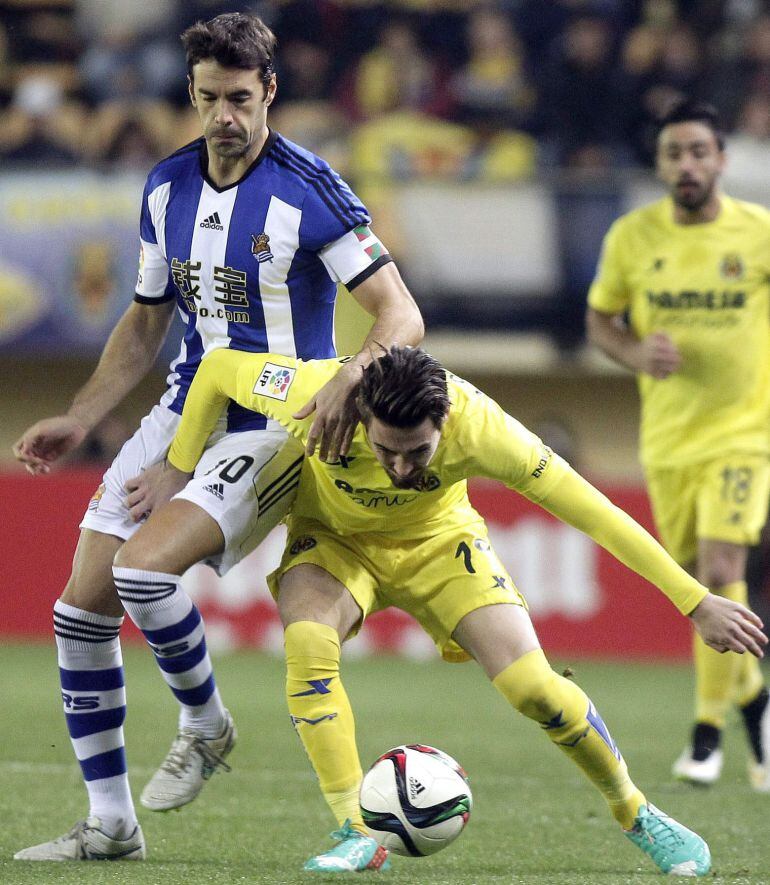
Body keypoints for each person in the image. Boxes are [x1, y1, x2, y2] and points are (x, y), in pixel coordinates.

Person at [12, 12, 423, 862]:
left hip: (280, 420)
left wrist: (354, 372)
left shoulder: (310, 189)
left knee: (139, 571)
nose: (225, 116)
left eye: (240, 98)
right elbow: (144, 319)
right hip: (185, 403)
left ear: (269, 90)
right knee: (76, 609)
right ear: (191, 95)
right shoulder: (166, 187)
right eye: (209, 99)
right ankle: (111, 825)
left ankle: (204, 722)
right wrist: (83, 416)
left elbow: (401, 312)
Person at [159, 344, 767, 875]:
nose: (400, 469)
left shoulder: (483, 427)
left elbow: (591, 511)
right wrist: (175, 471)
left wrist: (694, 599)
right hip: (335, 543)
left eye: (418, 453)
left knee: (535, 688)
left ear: (443, 420)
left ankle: (637, 812)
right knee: (308, 643)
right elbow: (214, 371)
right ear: (360, 413)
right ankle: (354, 831)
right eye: (386, 451)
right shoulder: (312, 392)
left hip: (440, 546)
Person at [585, 98, 770, 791]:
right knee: (698, 581)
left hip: (745, 434)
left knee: (725, 568)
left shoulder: (758, 233)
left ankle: (705, 736)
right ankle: (757, 705)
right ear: (660, 165)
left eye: (699, 151)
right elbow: (600, 318)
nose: (687, 164)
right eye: (674, 154)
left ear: (721, 158)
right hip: (667, 439)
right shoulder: (633, 237)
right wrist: (635, 352)